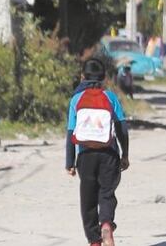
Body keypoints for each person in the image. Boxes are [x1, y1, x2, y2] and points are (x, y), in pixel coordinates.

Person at [66, 58, 130, 246]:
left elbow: (70, 132)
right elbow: (122, 128)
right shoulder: (110, 97)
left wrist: (69, 162)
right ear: (104, 78)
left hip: (85, 156)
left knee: (88, 198)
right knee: (107, 193)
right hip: (109, 154)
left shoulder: (76, 100)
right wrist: (125, 154)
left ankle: (94, 241)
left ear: (82, 76)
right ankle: (107, 224)